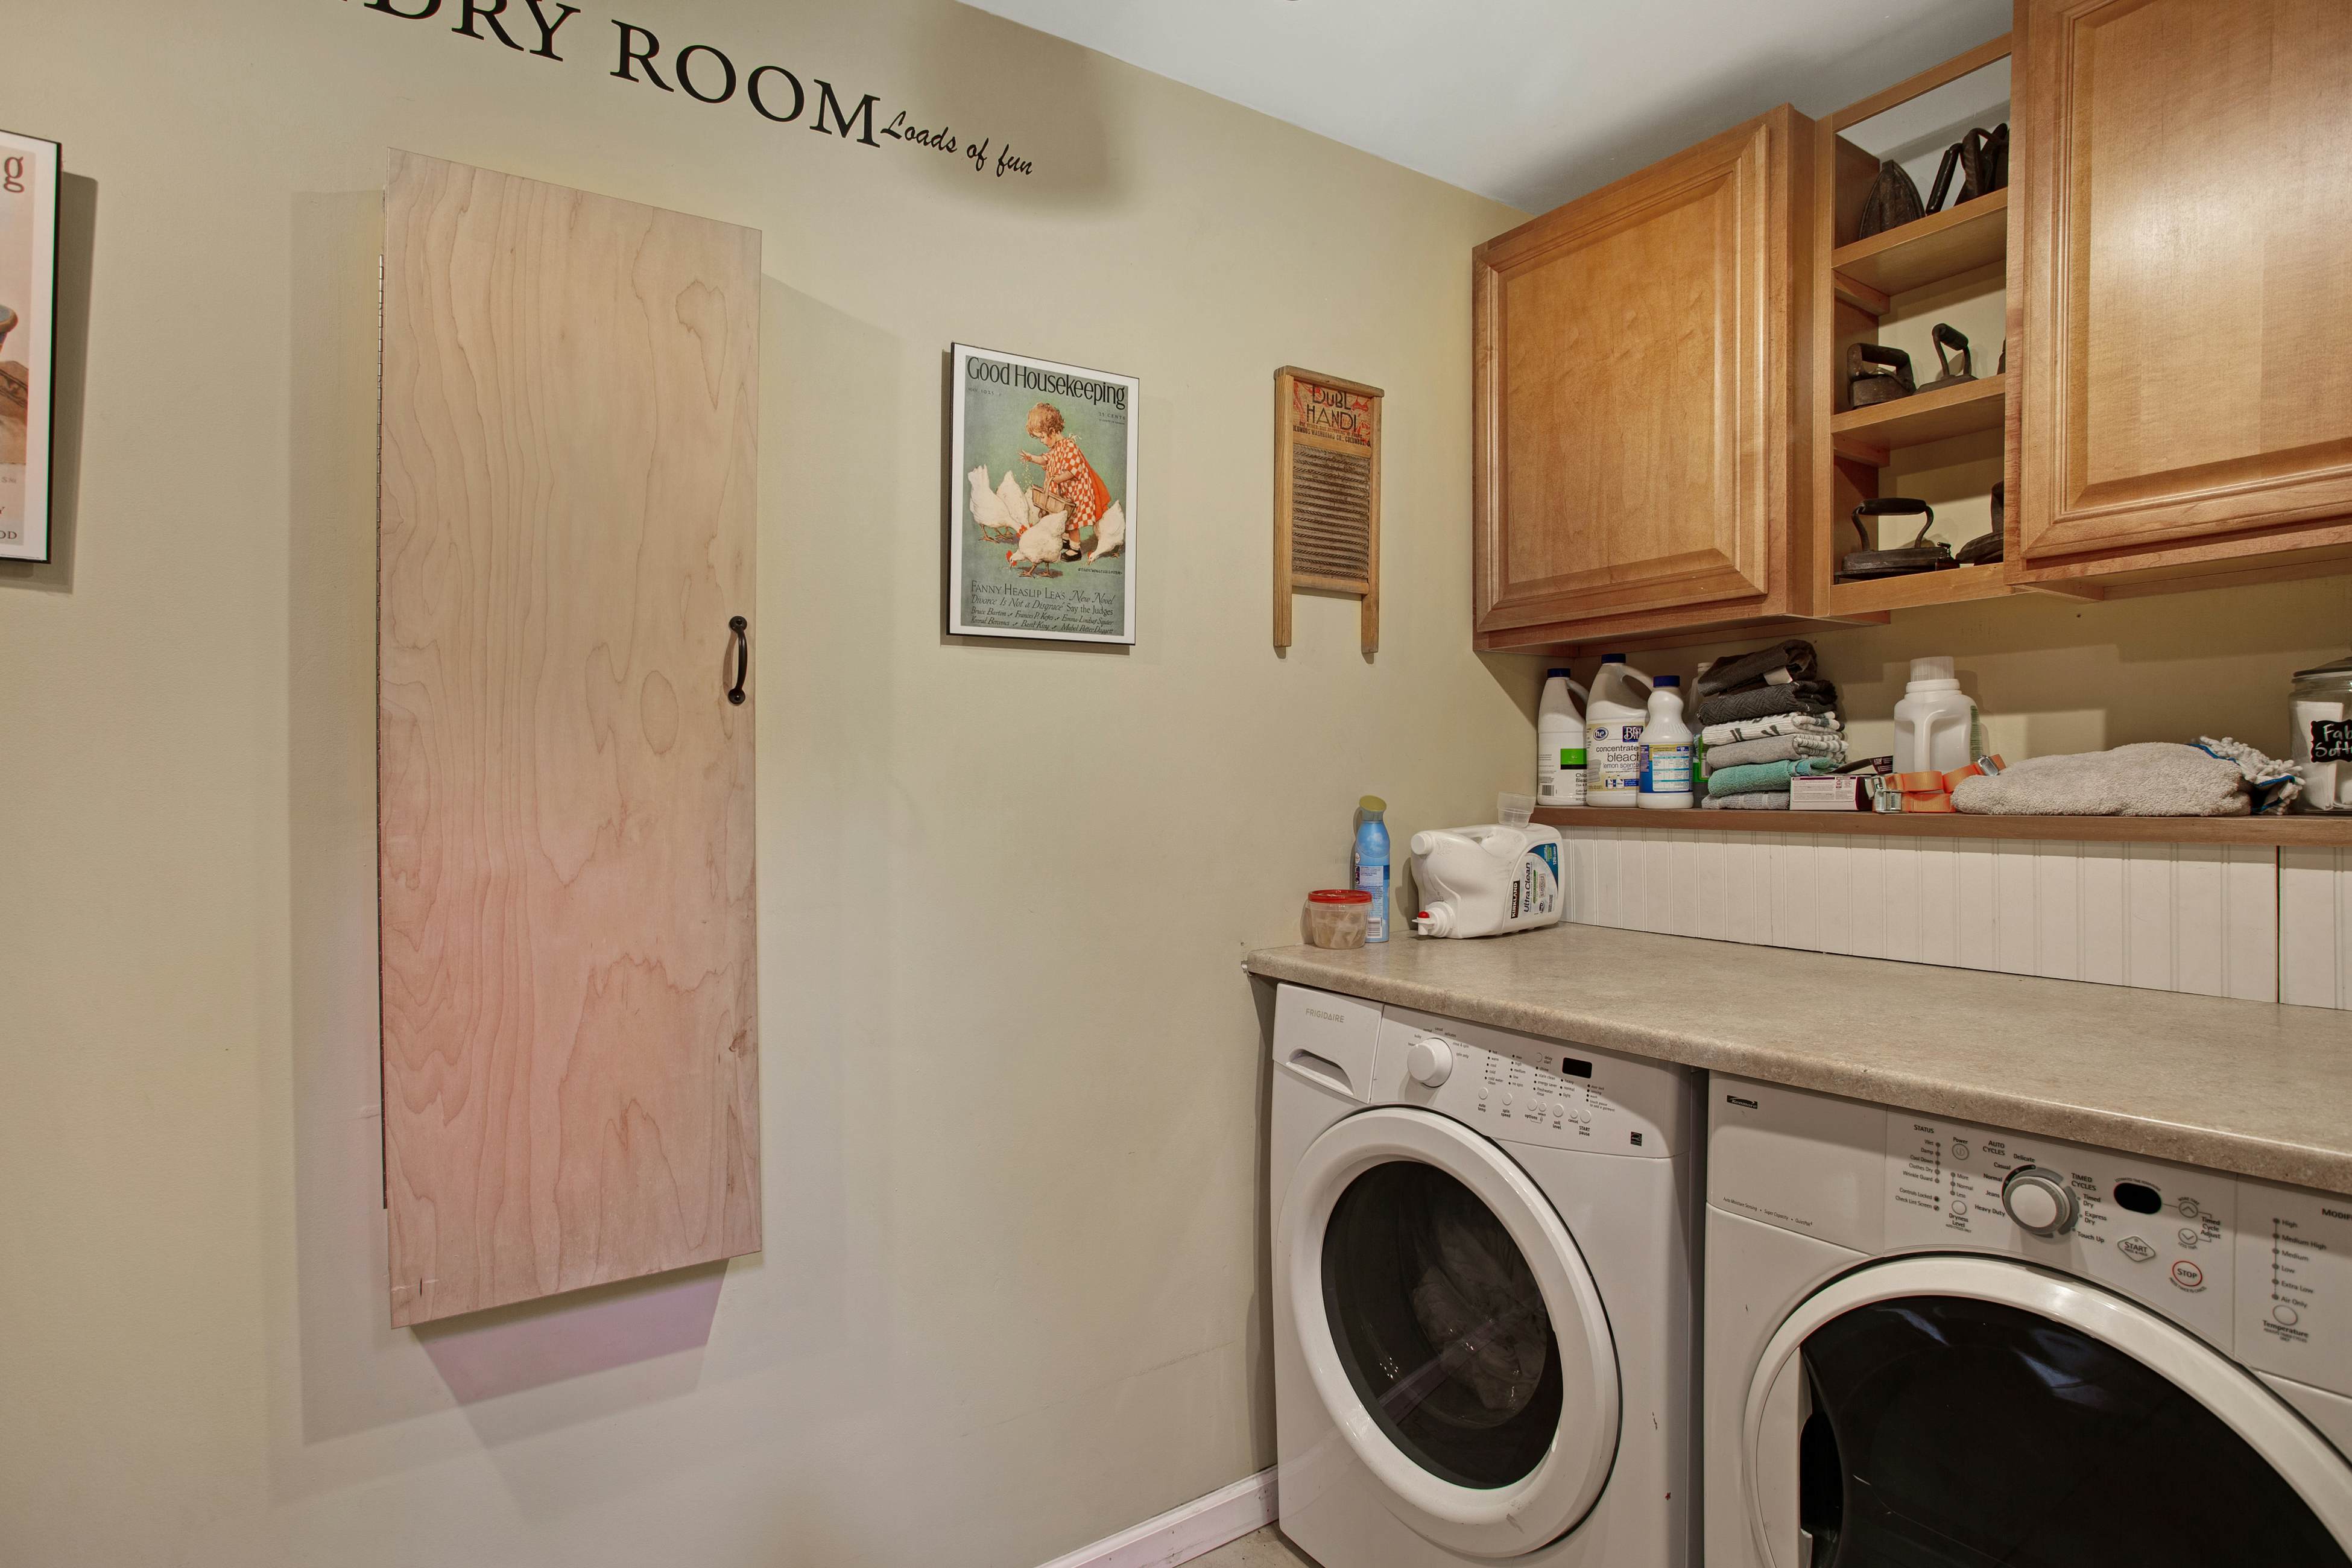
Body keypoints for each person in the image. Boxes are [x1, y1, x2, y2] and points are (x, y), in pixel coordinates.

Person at [1017, 402, 1110, 562]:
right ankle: (1066, 540)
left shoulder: (1069, 446)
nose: (1042, 441)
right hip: (1065, 495)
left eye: (1042, 437)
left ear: (1052, 431)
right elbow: (1045, 460)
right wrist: (1031, 458)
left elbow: (1075, 470)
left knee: (1072, 521)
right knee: (1063, 518)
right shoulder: (1055, 449)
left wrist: (1058, 478)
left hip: (1076, 495)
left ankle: (1075, 549)